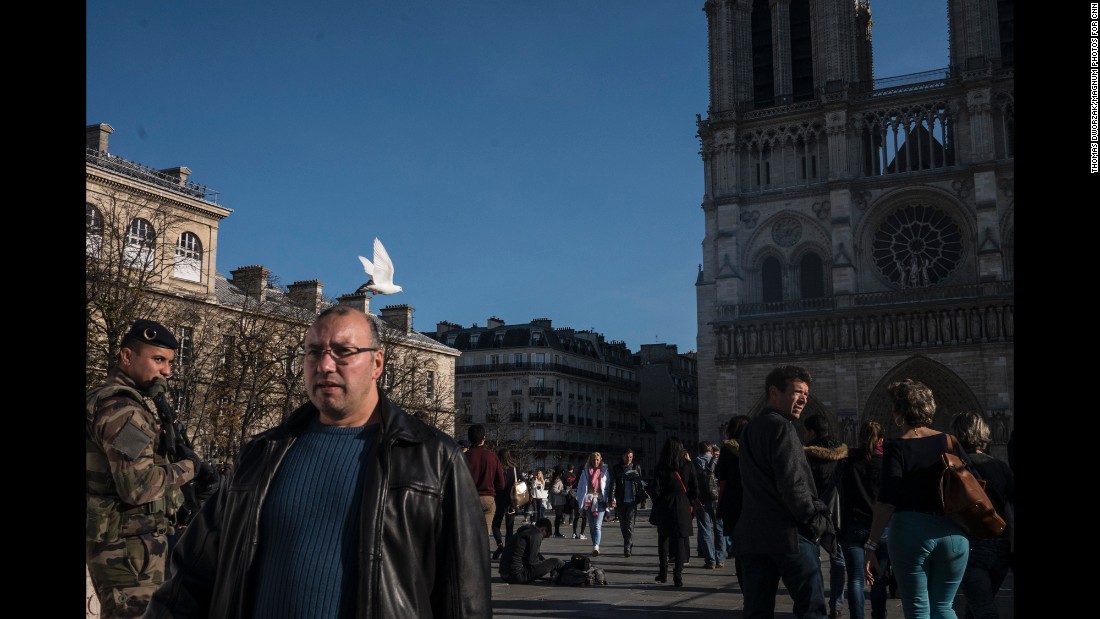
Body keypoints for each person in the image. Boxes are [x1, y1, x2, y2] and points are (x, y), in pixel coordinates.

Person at [145, 306, 491, 617]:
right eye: (314, 352)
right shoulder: (262, 454)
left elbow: (465, 595)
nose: (325, 365)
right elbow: (190, 577)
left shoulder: (433, 457)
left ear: (377, 364)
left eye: (343, 352)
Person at [86, 319, 204, 618]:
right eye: (158, 360)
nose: (166, 370)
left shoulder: (108, 400)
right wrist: (189, 467)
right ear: (127, 357)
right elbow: (137, 486)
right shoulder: (124, 411)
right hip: (130, 550)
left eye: (170, 362)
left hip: (128, 545)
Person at [731, 365, 834, 619]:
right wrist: (815, 520)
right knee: (812, 609)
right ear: (774, 392)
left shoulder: (750, 430)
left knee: (757, 611)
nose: (804, 400)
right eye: (798, 392)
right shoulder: (783, 427)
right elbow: (793, 484)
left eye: (806, 395)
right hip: (788, 535)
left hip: (754, 537)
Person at [865, 378, 972, 619]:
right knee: (944, 607)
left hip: (911, 534)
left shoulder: (896, 446)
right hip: (953, 534)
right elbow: (972, 481)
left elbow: (887, 500)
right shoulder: (950, 440)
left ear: (898, 412)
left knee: (918, 608)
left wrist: (871, 544)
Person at [951, 412, 1013, 619]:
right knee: (976, 606)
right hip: (1001, 545)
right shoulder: (1001, 467)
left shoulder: (954, 468)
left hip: (971, 546)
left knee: (983, 609)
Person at [839, 420, 890, 619]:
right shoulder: (886, 463)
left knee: (855, 578)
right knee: (879, 577)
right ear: (882, 439)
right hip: (880, 528)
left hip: (853, 525)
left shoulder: (848, 462)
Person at [804, 414, 849, 618]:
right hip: (836, 511)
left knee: (812, 559)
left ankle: (816, 602)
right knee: (838, 559)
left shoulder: (805, 454)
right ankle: (836, 605)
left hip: (812, 512)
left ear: (812, 432)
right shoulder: (842, 453)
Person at [652, 437, 697, 587]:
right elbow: (695, 488)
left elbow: (655, 489)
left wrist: (659, 501)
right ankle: (678, 576)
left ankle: (663, 572)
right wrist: (689, 500)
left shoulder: (661, 466)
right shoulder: (688, 465)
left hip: (665, 504)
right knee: (680, 541)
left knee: (663, 539)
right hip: (682, 505)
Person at [716, 414, 751, 595]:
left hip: (734, 504)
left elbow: (718, 473)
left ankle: (747, 592)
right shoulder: (756, 447)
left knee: (740, 551)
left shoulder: (728, 449)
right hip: (754, 503)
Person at [465, 423, 504, 550]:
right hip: (488, 497)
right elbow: (501, 483)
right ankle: (481, 560)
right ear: (484, 438)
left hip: (469, 498)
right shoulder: (492, 456)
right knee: (484, 535)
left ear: (469, 439)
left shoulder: (464, 456)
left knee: (468, 533)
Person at [498, 517, 564, 584]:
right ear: (543, 529)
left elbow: (535, 555)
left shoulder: (525, 532)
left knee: (546, 561)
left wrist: (546, 564)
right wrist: (547, 565)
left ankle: (558, 574)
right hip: (517, 575)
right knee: (555, 562)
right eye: (544, 536)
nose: (542, 539)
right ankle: (569, 575)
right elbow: (532, 561)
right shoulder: (536, 534)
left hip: (505, 575)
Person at [693, 440, 726, 570]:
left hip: (701, 500)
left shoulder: (694, 463)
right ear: (711, 451)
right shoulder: (717, 461)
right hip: (717, 499)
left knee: (705, 530)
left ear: (699, 450)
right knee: (719, 529)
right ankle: (720, 559)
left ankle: (710, 560)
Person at [609, 447, 647, 557]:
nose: (629, 459)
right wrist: (611, 498)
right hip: (621, 500)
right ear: (623, 456)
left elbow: (639, 484)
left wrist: (642, 498)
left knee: (630, 525)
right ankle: (629, 543)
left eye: (631, 457)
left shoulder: (636, 467)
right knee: (623, 526)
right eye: (627, 457)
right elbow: (613, 484)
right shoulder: (617, 468)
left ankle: (626, 548)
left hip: (632, 500)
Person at [575, 451, 610, 556]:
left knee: (596, 525)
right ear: (591, 460)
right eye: (594, 459)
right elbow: (581, 487)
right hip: (588, 500)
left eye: (597, 460)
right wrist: (580, 502)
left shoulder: (604, 471)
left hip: (600, 500)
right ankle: (594, 544)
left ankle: (596, 546)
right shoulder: (585, 472)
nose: (595, 461)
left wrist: (610, 501)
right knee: (591, 526)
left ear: (600, 460)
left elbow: (608, 486)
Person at [492, 449, 522, 560]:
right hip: (512, 501)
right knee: (510, 528)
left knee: (496, 525)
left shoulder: (497, 468)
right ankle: (507, 553)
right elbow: (523, 481)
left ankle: (500, 544)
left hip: (499, 500)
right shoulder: (514, 469)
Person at [549, 469, 568, 537]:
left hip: (558, 500)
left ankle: (556, 532)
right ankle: (556, 532)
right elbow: (554, 489)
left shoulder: (555, 480)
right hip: (558, 501)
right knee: (558, 516)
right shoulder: (557, 480)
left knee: (558, 517)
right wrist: (561, 491)